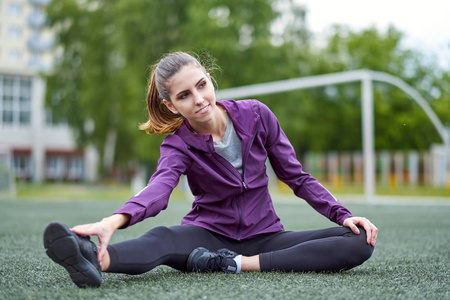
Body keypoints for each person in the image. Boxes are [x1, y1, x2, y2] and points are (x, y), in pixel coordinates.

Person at [43, 51, 378, 288]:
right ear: (172, 106)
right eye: (185, 95)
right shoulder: (178, 143)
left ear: (210, 79)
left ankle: (237, 265)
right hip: (206, 237)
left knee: (359, 240)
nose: (199, 99)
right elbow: (158, 190)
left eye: (201, 85)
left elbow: (296, 177)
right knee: (163, 238)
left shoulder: (257, 115)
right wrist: (111, 222)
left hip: (265, 238)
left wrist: (342, 214)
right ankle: (94, 258)